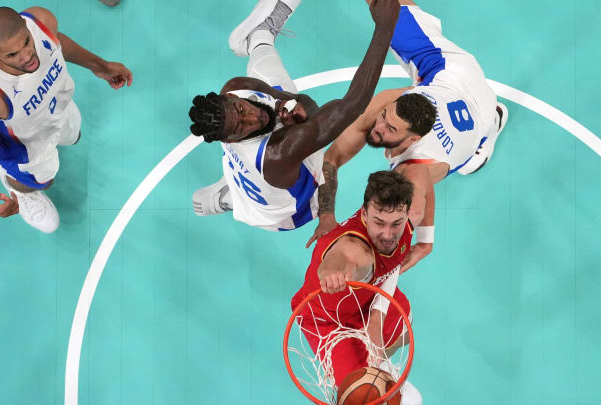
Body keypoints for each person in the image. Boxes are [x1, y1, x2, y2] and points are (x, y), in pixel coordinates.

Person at [308, 0, 509, 272]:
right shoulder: (391, 103)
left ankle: (489, 130)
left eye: (390, 130)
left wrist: (426, 242)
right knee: (391, 10)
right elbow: (332, 158)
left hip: (477, 116)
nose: (377, 128)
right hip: (453, 73)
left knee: (467, 158)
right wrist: (327, 214)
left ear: (413, 140)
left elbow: (420, 188)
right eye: (384, 118)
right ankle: (486, 123)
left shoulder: (410, 169)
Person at [189, 0, 400, 231]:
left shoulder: (238, 86)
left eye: (242, 109)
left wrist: (288, 104)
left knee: (284, 103)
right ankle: (225, 199)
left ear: (232, 96)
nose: (254, 118)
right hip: (292, 208)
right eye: (241, 127)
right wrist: (385, 26)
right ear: (229, 140)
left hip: (257, 169)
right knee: (314, 143)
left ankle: (258, 37)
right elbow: (351, 106)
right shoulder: (278, 154)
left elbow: (304, 102)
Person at [0, 6, 132, 232]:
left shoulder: (41, 20)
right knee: (45, 179)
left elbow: (56, 42)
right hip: (25, 146)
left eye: (26, 42)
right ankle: (18, 187)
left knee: (74, 134)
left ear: (27, 27)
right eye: (11, 55)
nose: (26, 56)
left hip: (56, 109)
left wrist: (100, 67)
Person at [291, 170, 422, 405]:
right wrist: (330, 272)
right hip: (326, 320)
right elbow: (340, 258)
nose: (387, 234)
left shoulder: (415, 213)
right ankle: (367, 374)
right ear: (364, 213)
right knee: (358, 398)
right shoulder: (355, 249)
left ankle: (378, 368)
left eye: (396, 224)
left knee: (404, 331)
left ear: (407, 213)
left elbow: (424, 181)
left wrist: (377, 314)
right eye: (379, 222)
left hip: (367, 302)